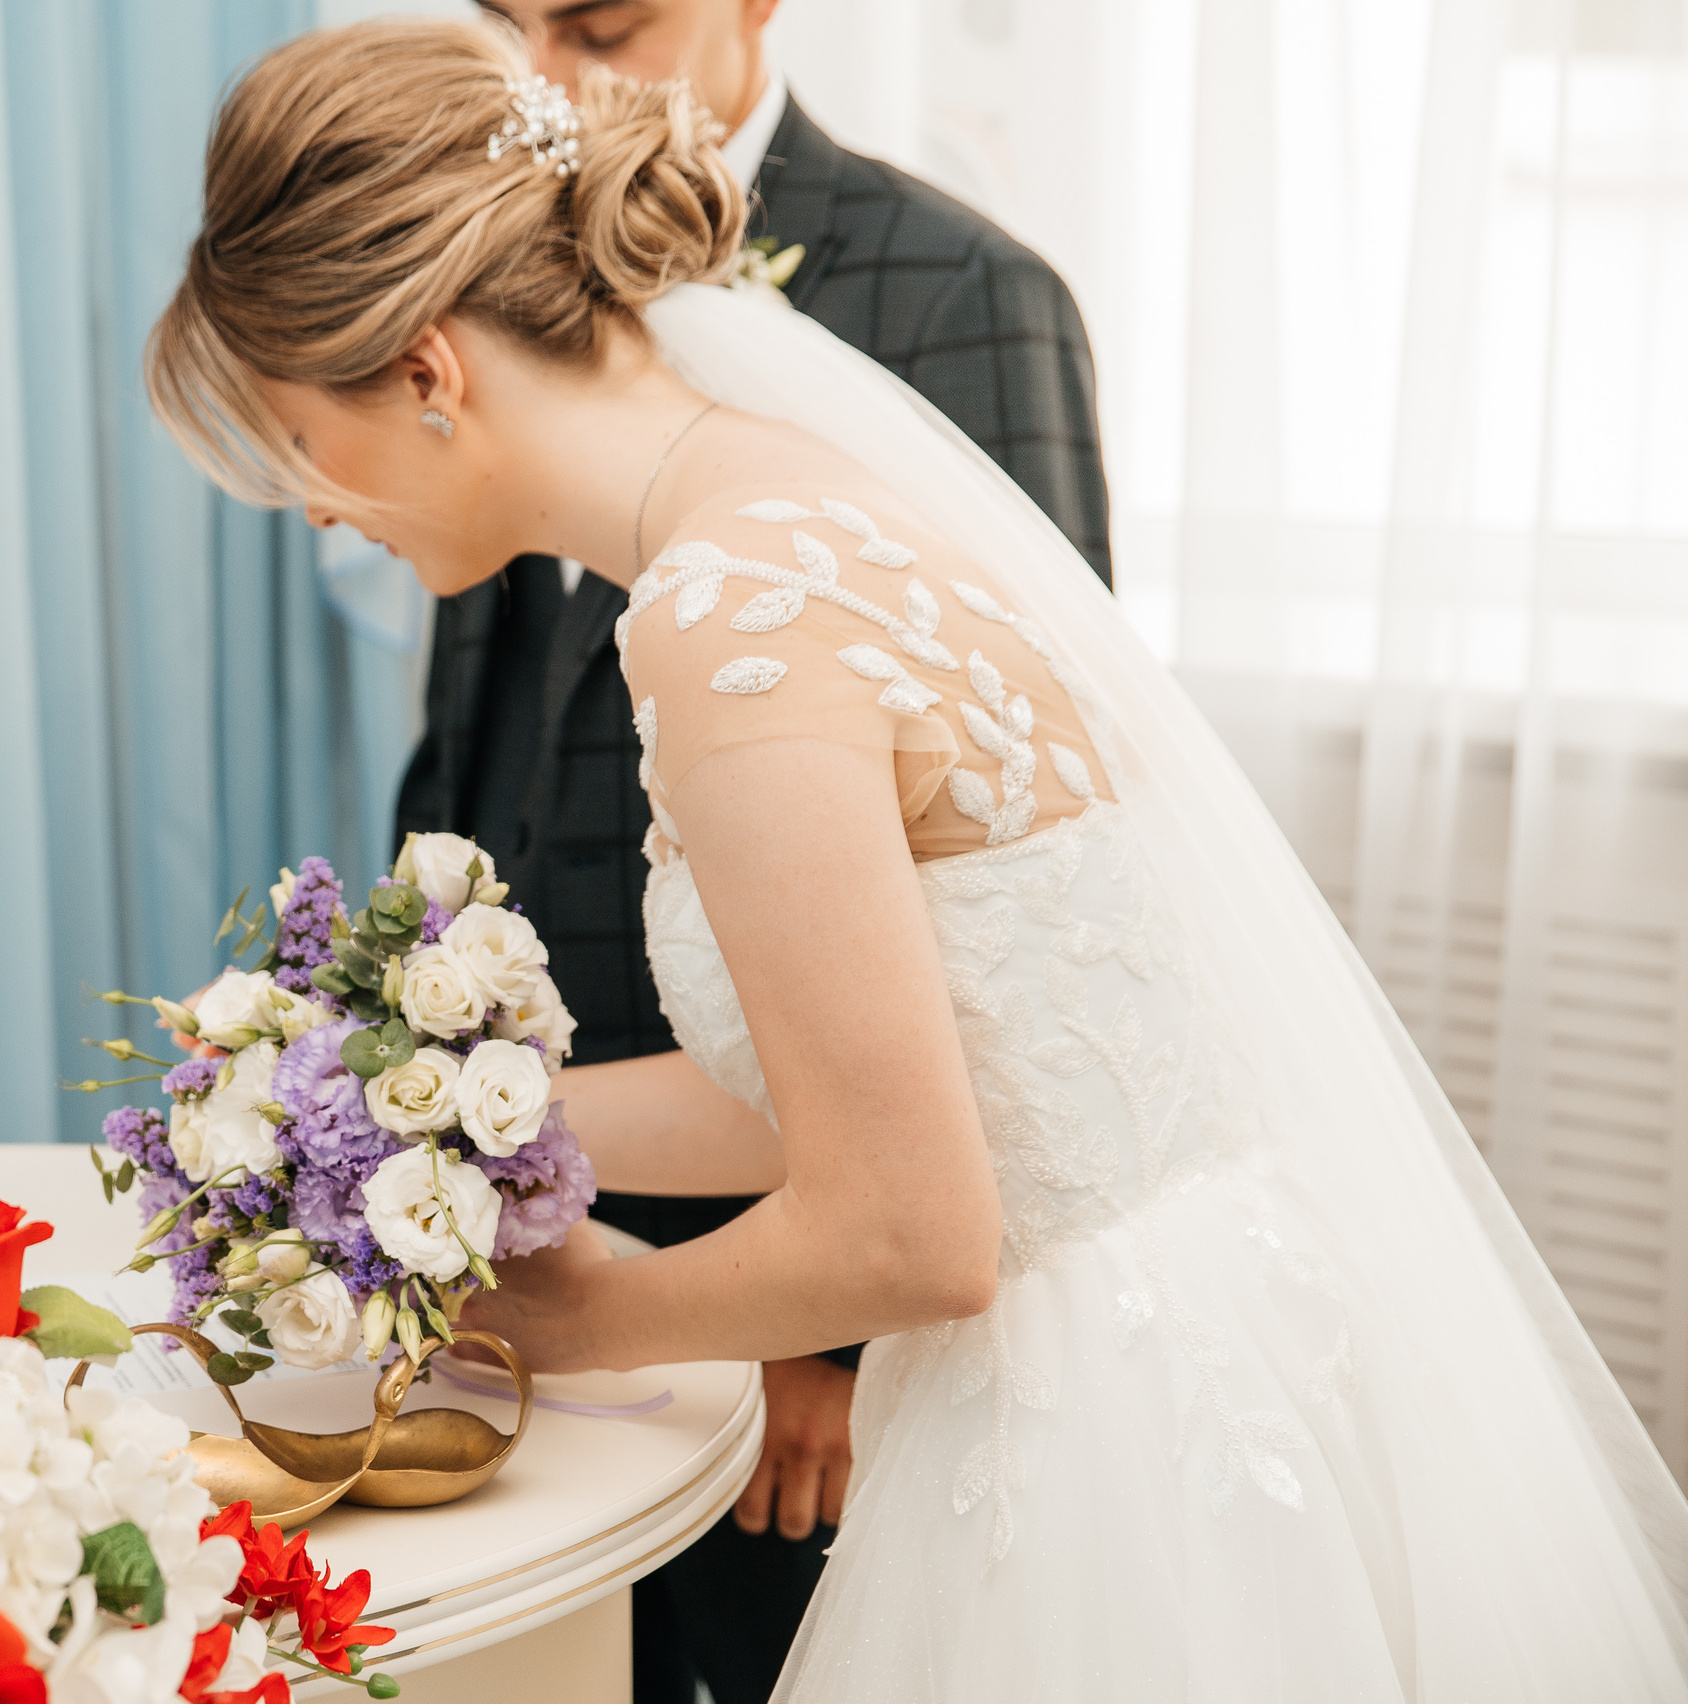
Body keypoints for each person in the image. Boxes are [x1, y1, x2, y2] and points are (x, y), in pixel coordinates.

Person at [145, 17, 1688, 1700]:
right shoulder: (786, 492)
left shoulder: (728, 618)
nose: (310, 509)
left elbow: (914, 1233)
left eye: (298, 444)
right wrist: (402, 1131)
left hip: (1096, 1409)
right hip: (1205, 1313)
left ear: (429, 375)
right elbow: (881, 1066)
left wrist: (549, 1320)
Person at [393, 4, 1107, 1698]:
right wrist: (423, 1096)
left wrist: (829, 1335)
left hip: (846, 1233)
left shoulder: (954, 293)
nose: (548, 79)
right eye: (509, 26)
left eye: (603, 25)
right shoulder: (477, 269)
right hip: (594, 1142)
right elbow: (480, 739)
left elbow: (1010, 865)